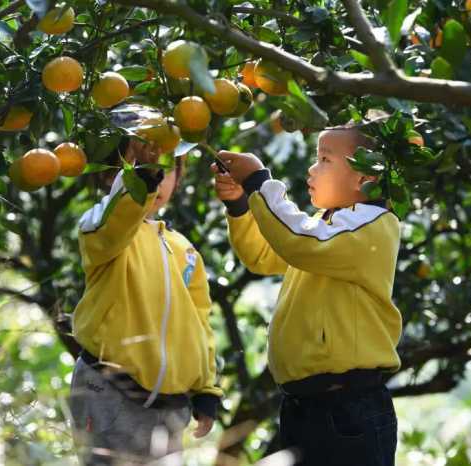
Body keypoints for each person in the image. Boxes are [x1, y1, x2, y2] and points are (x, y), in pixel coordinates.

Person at [212, 124, 402, 466]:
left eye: (325, 159)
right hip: (307, 405)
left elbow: (298, 242)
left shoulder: (372, 225)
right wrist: (240, 204)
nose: (312, 169)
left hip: (347, 409)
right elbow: (264, 255)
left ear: (364, 178)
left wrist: (258, 181)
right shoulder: (326, 226)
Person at [69, 136, 222, 466]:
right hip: (110, 391)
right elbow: (115, 222)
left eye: (165, 169)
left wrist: (206, 389)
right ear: (112, 175)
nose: (156, 177)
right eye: (141, 167)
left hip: (170, 407)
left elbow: (199, 321)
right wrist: (138, 181)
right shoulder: (100, 229)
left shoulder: (185, 251)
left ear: (179, 178)